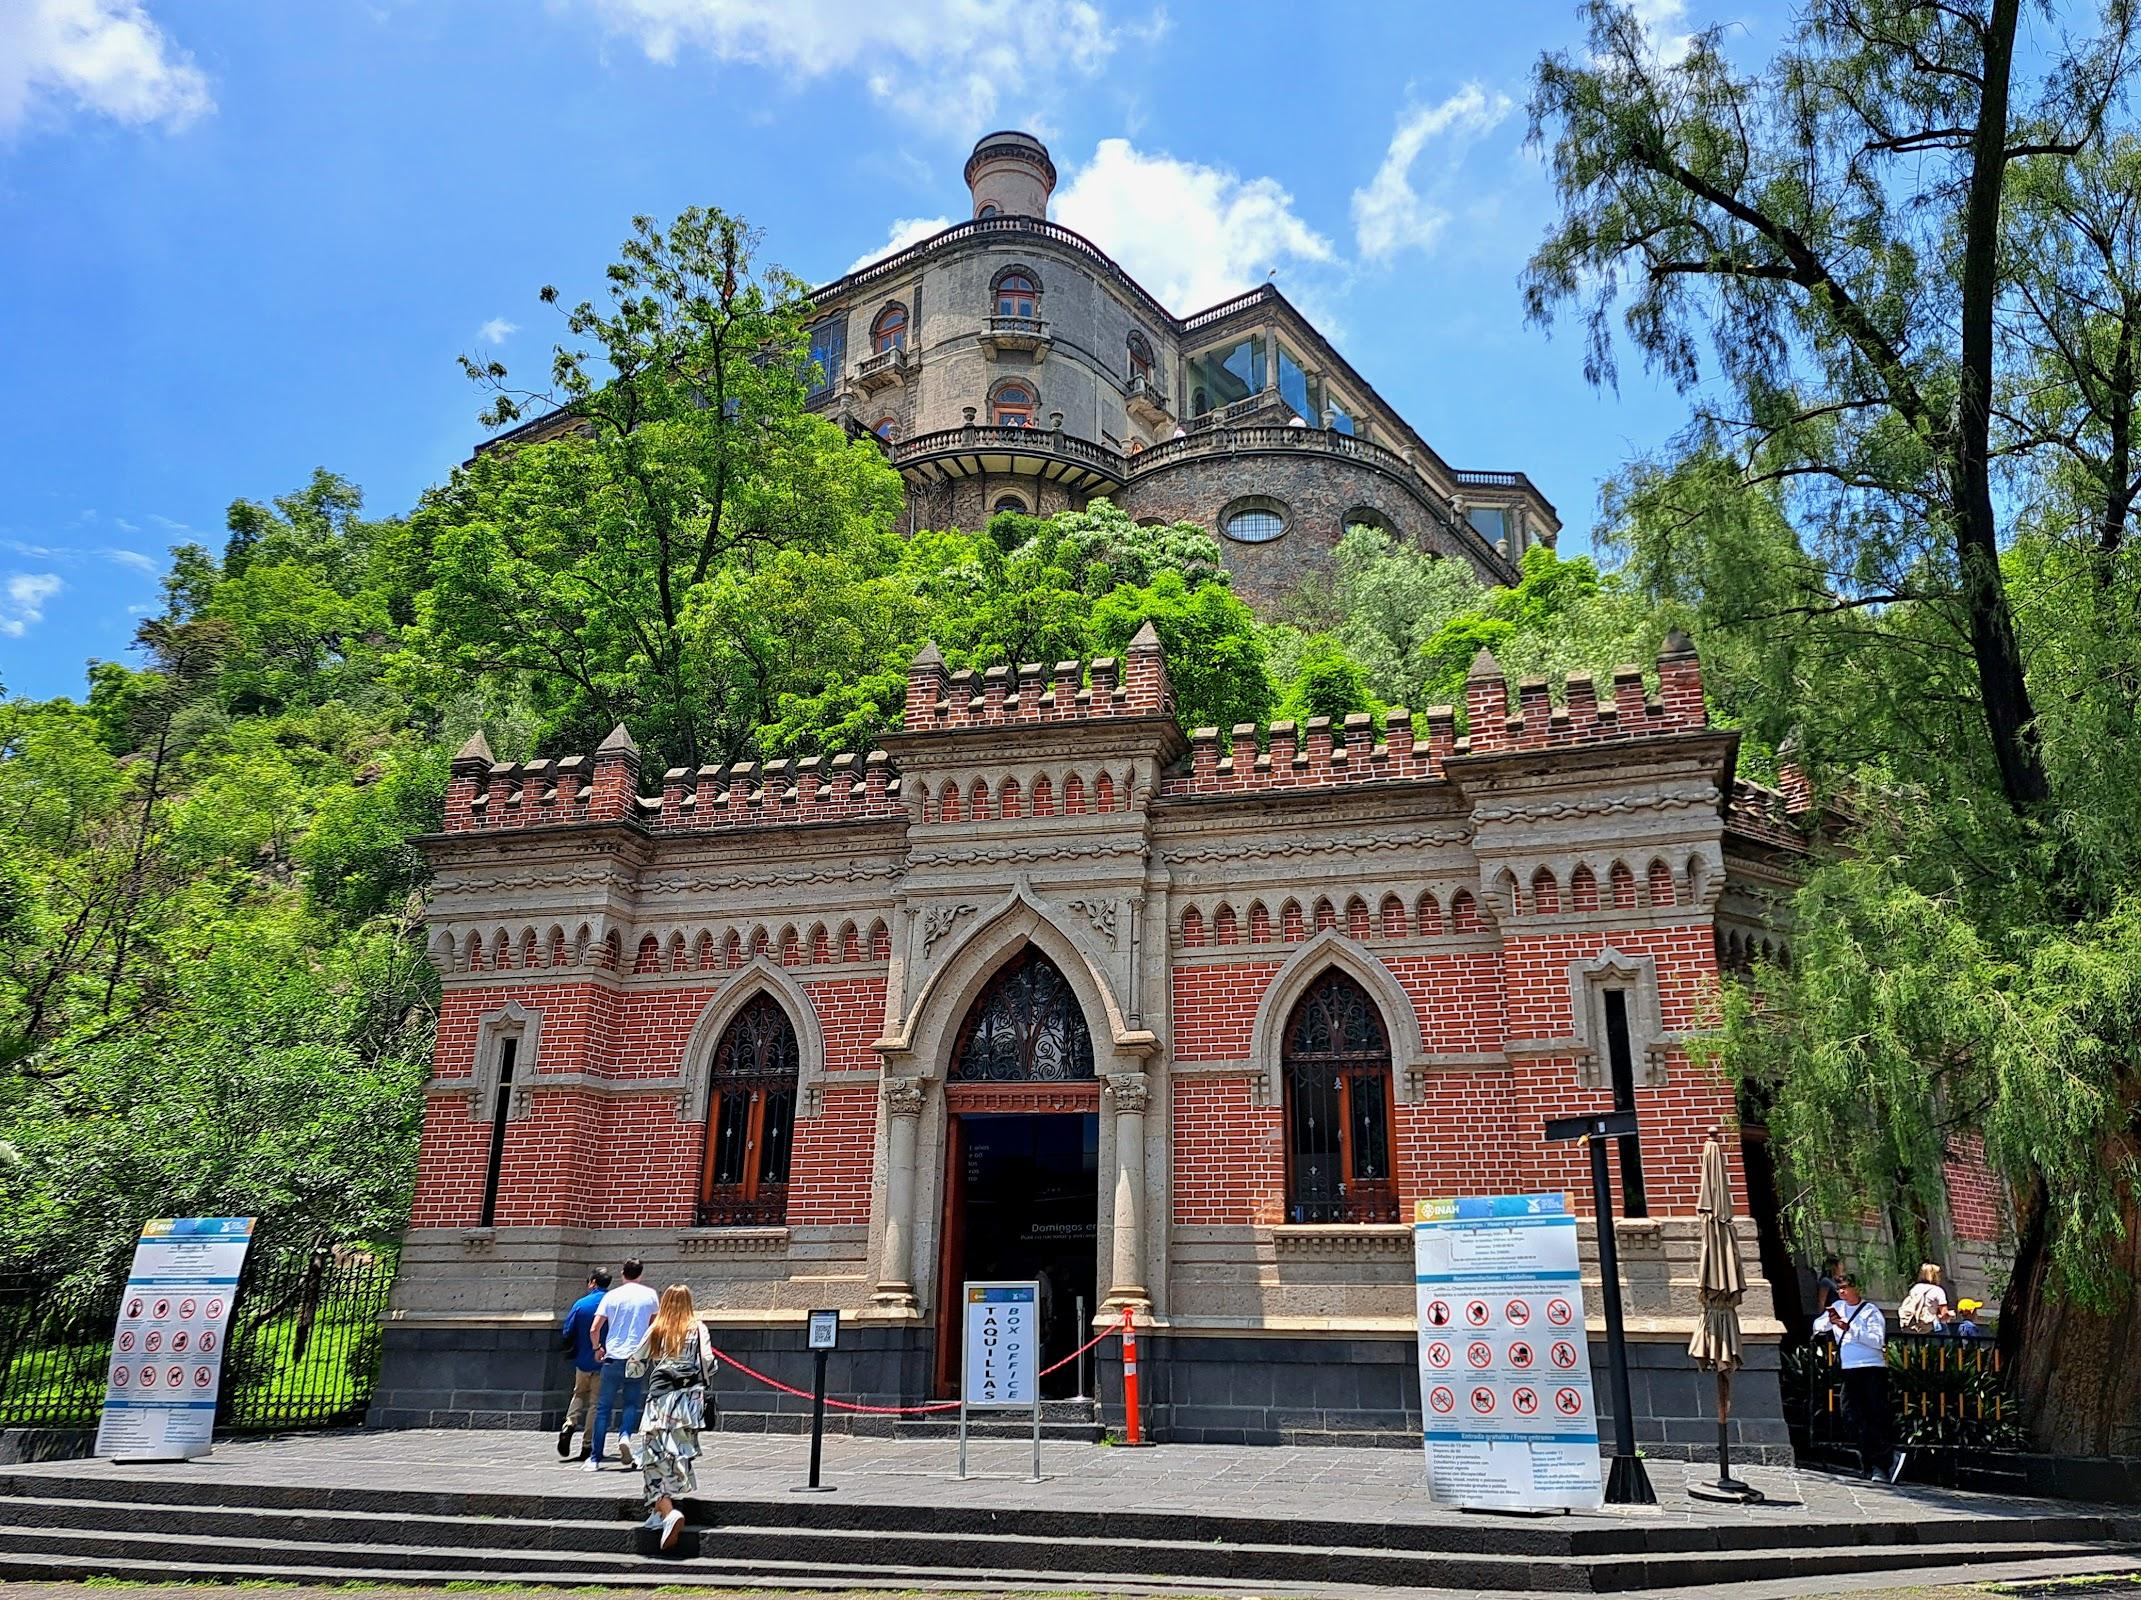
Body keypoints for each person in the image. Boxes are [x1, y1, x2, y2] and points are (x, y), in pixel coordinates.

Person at [635, 1283, 715, 1552]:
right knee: (677, 1456)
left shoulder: (658, 1328)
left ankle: (668, 1513)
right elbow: (708, 1360)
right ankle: (660, 1514)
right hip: (687, 1404)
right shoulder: (698, 1327)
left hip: (659, 1401)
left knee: (652, 1457)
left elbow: (635, 1362)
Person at [1813, 1272, 1902, 1482]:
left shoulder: (1870, 1312)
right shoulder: (1839, 1308)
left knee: (1874, 1415)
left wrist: (1849, 1327)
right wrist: (1830, 1323)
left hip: (1871, 1368)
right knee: (1851, 1416)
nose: (1842, 1292)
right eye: (1839, 1289)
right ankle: (1877, 1459)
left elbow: (1876, 1340)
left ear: (1856, 1289)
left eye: (1846, 1288)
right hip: (1849, 1369)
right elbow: (1817, 1326)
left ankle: (1881, 1464)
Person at [586, 1257, 660, 1472]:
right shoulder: (650, 1295)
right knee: (630, 1403)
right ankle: (625, 1435)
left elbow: (594, 1328)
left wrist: (597, 1348)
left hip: (612, 1356)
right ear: (641, 1274)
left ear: (622, 1274)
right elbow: (654, 1326)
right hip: (636, 1357)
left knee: (603, 1408)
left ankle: (595, 1457)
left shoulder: (611, 1296)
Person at [557, 1267, 612, 1460]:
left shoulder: (581, 1304)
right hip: (605, 1361)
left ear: (593, 1283)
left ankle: (569, 1424)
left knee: (578, 1393)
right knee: (596, 1404)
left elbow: (567, 1330)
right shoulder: (613, 1304)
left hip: (582, 1360)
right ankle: (587, 1446)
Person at [1897, 1263, 1954, 1334]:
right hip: (1931, 1326)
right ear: (1935, 1275)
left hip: (1915, 1325)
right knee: (1945, 1336)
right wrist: (1951, 1315)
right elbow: (1944, 1314)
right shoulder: (1938, 1290)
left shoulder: (1916, 1288)